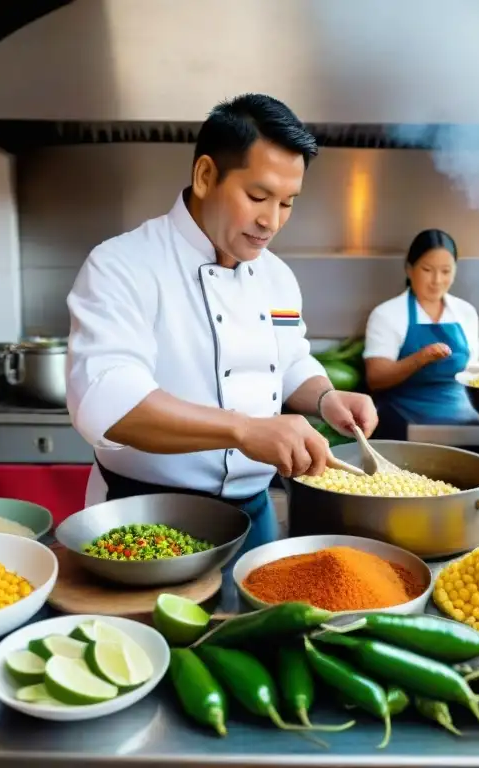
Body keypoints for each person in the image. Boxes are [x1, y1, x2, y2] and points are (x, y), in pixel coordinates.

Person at [66, 93, 378, 555]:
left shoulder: (276, 276)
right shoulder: (122, 264)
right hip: (149, 518)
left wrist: (326, 396)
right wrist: (244, 429)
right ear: (206, 175)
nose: (271, 221)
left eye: (288, 203)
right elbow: (107, 402)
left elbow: (288, 359)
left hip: (255, 514)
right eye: (257, 196)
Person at [362, 229, 479, 439]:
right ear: (409, 269)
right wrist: (421, 358)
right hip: (404, 416)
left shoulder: (466, 312)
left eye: (446, 271)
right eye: (427, 270)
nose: (437, 280)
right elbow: (376, 378)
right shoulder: (387, 314)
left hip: (463, 416)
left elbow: (472, 369)